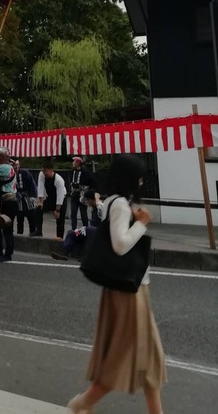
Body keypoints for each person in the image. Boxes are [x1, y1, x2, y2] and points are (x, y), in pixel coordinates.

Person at [68, 155, 166, 414]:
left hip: (133, 289)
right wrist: (142, 224)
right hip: (128, 294)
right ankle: (82, 403)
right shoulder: (120, 204)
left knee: (149, 358)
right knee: (124, 358)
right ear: (130, 178)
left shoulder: (112, 201)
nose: (142, 181)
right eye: (139, 177)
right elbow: (120, 245)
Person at [51, 190, 102, 261]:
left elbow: (100, 207)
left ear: (92, 200)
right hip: (87, 232)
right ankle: (64, 253)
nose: (87, 203)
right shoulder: (92, 207)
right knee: (71, 233)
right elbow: (82, 200)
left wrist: (97, 197)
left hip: (98, 231)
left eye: (88, 200)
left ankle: (87, 256)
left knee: (89, 229)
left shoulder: (101, 207)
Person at [32, 159, 67, 239]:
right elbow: (40, 187)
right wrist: (40, 201)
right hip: (51, 199)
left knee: (60, 220)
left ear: (51, 170)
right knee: (38, 209)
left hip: (61, 200)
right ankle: (39, 231)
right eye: (43, 171)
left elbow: (60, 196)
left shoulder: (58, 180)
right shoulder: (42, 175)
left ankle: (59, 238)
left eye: (46, 171)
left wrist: (57, 210)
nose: (45, 173)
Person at [12, 158, 38, 235]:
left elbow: (32, 184)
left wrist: (33, 197)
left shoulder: (25, 172)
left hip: (27, 198)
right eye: (14, 165)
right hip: (17, 199)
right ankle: (20, 235)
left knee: (31, 217)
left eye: (17, 165)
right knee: (19, 219)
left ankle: (33, 233)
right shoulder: (10, 174)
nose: (16, 167)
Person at [69, 156, 95, 230]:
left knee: (83, 213)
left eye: (74, 161)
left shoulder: (85, 172)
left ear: (78, 163)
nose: (73, 163)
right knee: (73, 213)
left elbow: (91, 182)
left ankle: (86, 228)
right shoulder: (72, 171)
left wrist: (85, 190)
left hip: (82, 195)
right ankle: (73, 229)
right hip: (74, 194)